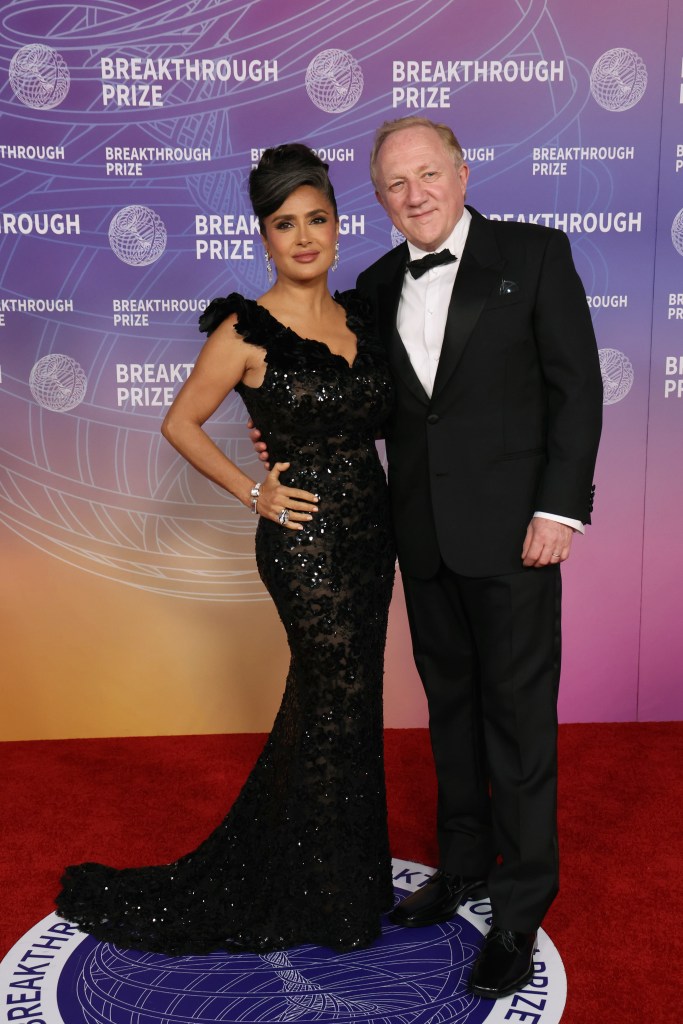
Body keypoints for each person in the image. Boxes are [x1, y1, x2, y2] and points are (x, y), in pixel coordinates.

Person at [253, 116, 603, 999]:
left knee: (516, 724)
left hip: (517, 536)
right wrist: (282, 430)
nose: (414, 195)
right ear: (378, 199)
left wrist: (559, 509)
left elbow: (577, 388)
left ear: (461, 172)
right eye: (394, 184)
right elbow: (359, 398)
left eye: (427, 174)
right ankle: (462, 867)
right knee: (450, 712)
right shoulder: (374, 285)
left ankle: (518, 908)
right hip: (419, 539)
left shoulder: (535, 254)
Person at [55, 144, 396, 955]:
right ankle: (321, 897)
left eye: (316, 219)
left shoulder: (362, 318)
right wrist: (254, 491)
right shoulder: (244, 329)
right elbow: (179, 422)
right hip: (303, 543)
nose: (303, 238)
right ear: (264, 237)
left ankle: (336, 878)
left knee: (344, 706)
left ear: (338, 228)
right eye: (285, 224)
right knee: (335, 698)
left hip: (371, 536)